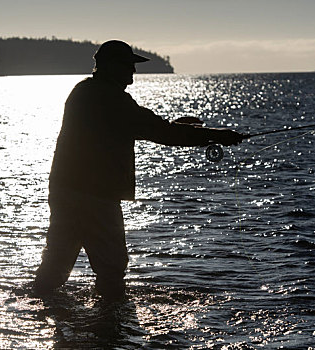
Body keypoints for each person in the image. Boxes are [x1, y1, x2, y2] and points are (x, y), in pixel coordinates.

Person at [33, 40, 244, 299]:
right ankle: (112, 328)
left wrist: (180, 127)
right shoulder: (110, 98)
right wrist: (214, 135)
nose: (133, 71)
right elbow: (155, 130)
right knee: (111, 268)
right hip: (96, 196)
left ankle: (44, 314)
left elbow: (140, 126)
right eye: (128, 65)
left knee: (56, 264)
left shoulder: (84, 92)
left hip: (66, 191)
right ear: (110, 66)